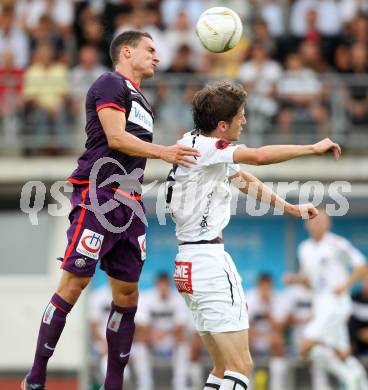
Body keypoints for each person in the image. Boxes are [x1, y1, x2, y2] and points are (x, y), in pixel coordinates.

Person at [22, 30, 199, 390]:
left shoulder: (144, 103)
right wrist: (165, 152)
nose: (156, 56)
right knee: (74, 285)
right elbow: (115, 137)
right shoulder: (109, 83)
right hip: (99, 196)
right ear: (127, 51)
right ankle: (36, 377)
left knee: (128, 295)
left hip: (130, 204)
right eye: (150, 50)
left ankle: (112, 385)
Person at [166, 80, 341, 390]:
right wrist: (312, 148)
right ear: (222, 125)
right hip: (208, 262)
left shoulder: (194, 142)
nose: (244, 121)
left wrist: (288, 207)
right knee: (241, 367)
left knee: (222, 368)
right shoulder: (210, 149)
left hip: (188, 262)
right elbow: (258, 157)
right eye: (240, 115)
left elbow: (242, 178)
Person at [284, 209, 368, 390]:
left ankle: (349, 377)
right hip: (320, 304)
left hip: (335, 304)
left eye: (321, 221)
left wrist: (345, 285)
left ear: (328, 224)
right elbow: (310, 281)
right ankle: (358, 380)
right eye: (313, 221)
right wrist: (295, 279)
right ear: (306, 224)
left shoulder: (337, 243)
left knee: (305, 347)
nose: (317, 224)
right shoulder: (304, 248)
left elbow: (361, 265)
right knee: (342, 352)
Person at [131, 272, 190, 390]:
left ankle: (180, 384)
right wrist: (152, 336)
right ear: (156, 285)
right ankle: (145, 384)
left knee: (184, 344)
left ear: (170, 285)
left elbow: (180, 325)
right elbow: (141, 324)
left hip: (170, 338)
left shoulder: (178, 298)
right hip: (150, 338)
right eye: (161, 285)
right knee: (139, 343)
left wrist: (164, 334)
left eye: (166, 285)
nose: (163, 288)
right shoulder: (146, 297)